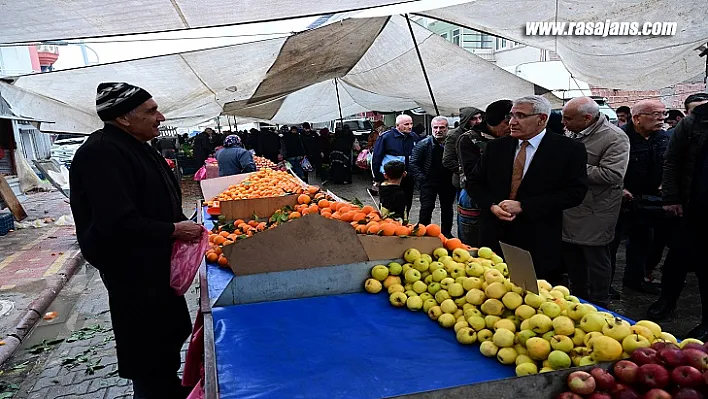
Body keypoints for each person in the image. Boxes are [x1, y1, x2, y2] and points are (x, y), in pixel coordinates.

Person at [69, 82, 200, 399]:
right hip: (133, 274)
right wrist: (174, 230)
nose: (160, 117)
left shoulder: (137, 145)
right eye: (151, 111)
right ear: (124, 118)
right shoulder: (101, 153)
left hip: (154, 269)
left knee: (164, 346)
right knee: (149, 357)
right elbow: (117, 222)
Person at [466, 95, 587, 281]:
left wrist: (524, 206)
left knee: (532, 296)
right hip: (494, 237)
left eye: (521, 116)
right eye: (511, 115)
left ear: (542, 119)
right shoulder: (496, 147)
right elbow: (474, 182)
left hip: (538, 238)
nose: (512, 122)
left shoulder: (568, 149)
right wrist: (491, 205)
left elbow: (574, 193)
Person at [560, 97, 630, 308]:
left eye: (568, 118)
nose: (564, 123)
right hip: (572, 205)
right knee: (573, 256)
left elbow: (612, 174)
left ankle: (600, 301)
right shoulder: (573, 131)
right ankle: (577, 297)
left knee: (595, 257)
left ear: (587, 118)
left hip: (597, 209)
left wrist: (569, 167)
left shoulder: (614, 137)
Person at [646, 101, 708, 338]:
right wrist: (671, 197)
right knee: (677, 258)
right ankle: (666, 300)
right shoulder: (695, 121)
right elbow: (672, 160)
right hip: (691, 205)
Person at [610, 100, 670, 295]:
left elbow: (670, 162)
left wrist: (665, 183)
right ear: (636, 118)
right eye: (655, 114)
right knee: (610, 244)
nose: (661, 118)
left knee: (643, 242)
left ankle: (635, 279)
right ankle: (604, 285)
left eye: (663, 114)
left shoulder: (662, 137)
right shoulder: (619, 137)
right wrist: (620, 188)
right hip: (620, 200)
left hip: (648, 200)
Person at [457, 100, 513, 247]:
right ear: (493, 122)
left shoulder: (513, 138)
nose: (510, 127)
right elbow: (470, 173)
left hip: (504, 197)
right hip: (474, 196)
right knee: (473, 245)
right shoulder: (469, 139)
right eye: (506, 124)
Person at [409, 116, 456, 237]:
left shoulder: (452, 144)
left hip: (447, 181)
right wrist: (422, 179)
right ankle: (423, 232)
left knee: (447, 208)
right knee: (427, 207)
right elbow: (413, 163)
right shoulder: (423, 144)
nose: (438, 130)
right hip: (429, 181)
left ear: (447, 128)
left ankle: (446, 233)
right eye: (435, 127)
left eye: (442, 127)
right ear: (431, 128)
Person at [372, 114, 421, 217]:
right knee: (389, 204)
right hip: (390, 178)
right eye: (406, 124)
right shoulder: (386, 137)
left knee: (407, 202)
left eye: (411, 124)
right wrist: (377, 177)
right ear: (397, 125)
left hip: (407, 177)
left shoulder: (414, 137)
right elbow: (376, 158)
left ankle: (404, 220)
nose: (410, 126)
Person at [442, 107, 483, 191]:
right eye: (473, 119)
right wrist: (467, 172)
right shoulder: (454, 135)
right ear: (466, 120)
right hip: (464, 182)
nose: (478, 121)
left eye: (480, 118)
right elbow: (447, 160)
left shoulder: (481, 133)